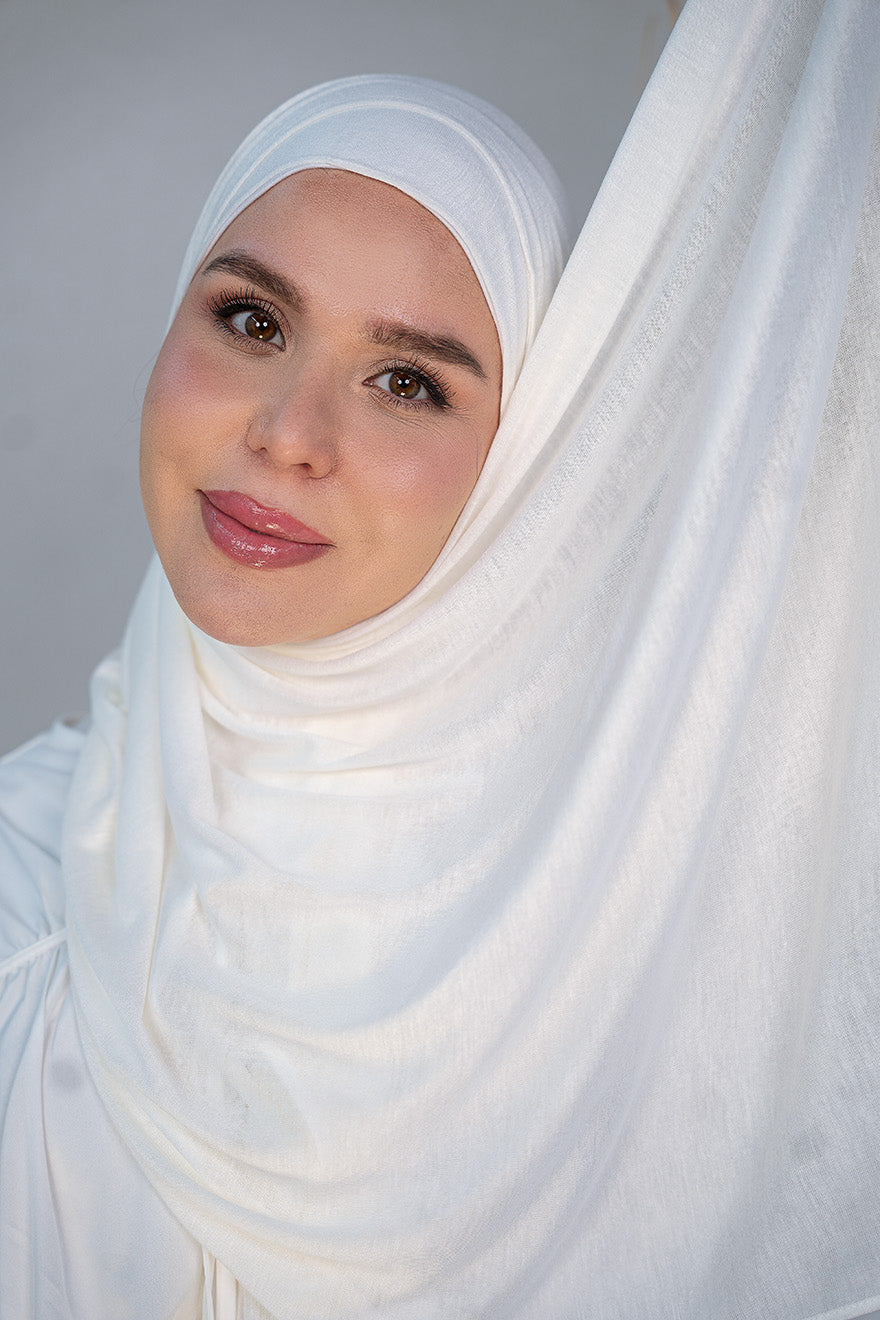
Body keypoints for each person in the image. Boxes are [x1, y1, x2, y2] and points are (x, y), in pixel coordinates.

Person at [2, 3, 880, 1318]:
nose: (289, 434)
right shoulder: (26, 913)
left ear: (528, 470)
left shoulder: (668, 935)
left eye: (408, 382)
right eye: (251, 320)